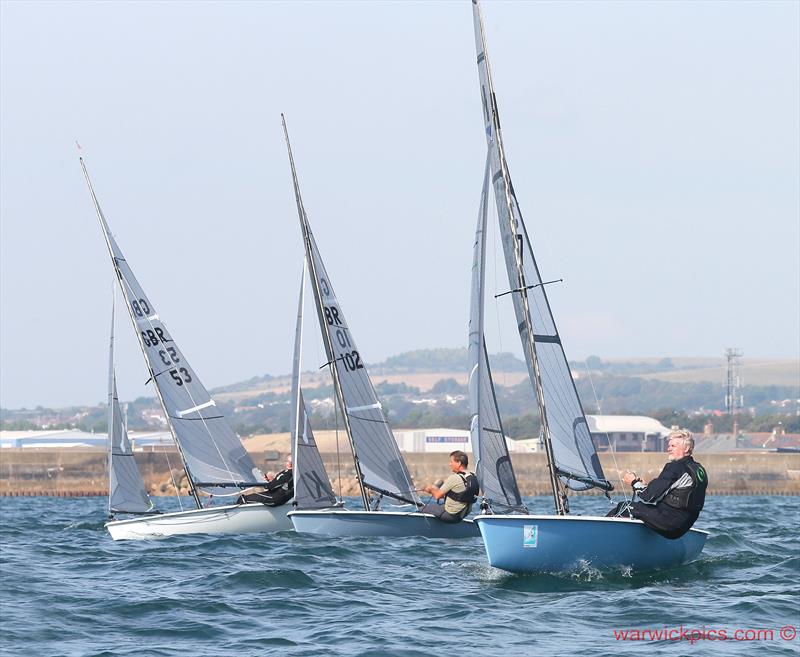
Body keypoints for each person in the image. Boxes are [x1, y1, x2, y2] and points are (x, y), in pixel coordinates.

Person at [611, 429, 708, 539]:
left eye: (673, 446)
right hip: (683, 527)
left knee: (624, 506)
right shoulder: (698, 469)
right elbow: (677, 493)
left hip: (668, 522)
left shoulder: (675, 467)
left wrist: (634, 482)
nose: (668, 449)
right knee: (641, 511)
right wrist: (645, 486)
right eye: (669, 446)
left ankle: (600, 537)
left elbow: (649, 497)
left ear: (686, 448)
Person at [419, 450, 479, 523]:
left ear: (459, 463)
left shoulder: (454, 478)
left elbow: (437, 496)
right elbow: (458, 494)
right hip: (462, 515)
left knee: (421, 509)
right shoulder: (472, 477)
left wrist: (430, 489)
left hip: (451, 515)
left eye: (451, 461)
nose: (450, 464)